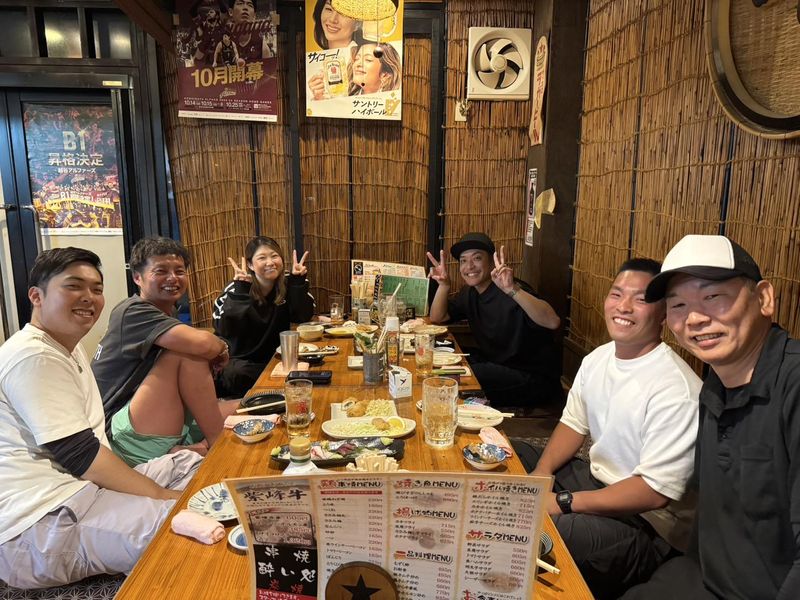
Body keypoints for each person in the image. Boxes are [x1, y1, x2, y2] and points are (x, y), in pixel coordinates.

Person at [0, 247, 201, 589]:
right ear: (36, 296)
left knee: (188, 463)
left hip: (81, 490)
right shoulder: (32, 356)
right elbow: (81, 456)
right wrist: (160, 496)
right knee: (183, 525)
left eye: (96, 288)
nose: (88, 297)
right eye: (73, 286)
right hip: (39, 523)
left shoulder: (66, 346)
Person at [623, 235, 800, 600]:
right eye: (678, 305)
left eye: (713, 296)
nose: (695, 319)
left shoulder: (793, 387)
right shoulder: (715, 386)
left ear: (764, 298)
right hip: (705, 579)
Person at [514, 258, 702, 599]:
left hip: (648, 524)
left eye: (640, 299)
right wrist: (541, 473)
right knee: (512, 454)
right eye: (617, 294)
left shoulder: (677, 389)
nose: (623, 307)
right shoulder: (597, 359)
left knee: (546, 531)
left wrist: (564, 501)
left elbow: (653, 492)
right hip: (596, 481)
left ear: (663, 314)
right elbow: (573, 424)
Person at [92, 237, 237, 467]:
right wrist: (221, 347)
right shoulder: (133, 311)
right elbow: (203, 345)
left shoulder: (166, 312)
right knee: (187, 353)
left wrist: (217, 348)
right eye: (161, 271)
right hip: (119, 435)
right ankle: (217, 446)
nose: (172, 278)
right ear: (137, 277)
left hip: (149, 418)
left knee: (245, 406)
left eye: (179, 271)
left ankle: (196, 447)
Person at [427, 232, 561, 410]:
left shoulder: (512, 289)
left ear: (491, 261)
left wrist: (512, 289)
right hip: (496, 364)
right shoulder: (470, 293)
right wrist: (444, 285)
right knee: (443, 359)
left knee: (454, 377)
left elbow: (553, 321)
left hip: (531, 377)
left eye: (477, 258)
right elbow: (438, 317)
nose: (469, 266)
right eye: (463, 261)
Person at [212, 236, 315, 397]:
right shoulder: (236, 288)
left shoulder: (288, 282)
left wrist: (298, 282)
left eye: (274, 256)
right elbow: (225, 329)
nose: (270, 262)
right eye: (262, 258)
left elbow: (302, 317)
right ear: (250, 265)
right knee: (238, 373)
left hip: (276, 358)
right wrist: (241, 291)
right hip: (240, 361)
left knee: (311, 369)